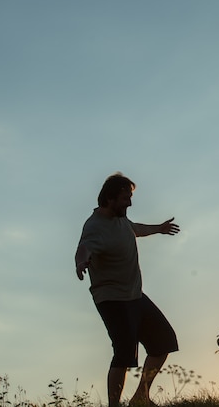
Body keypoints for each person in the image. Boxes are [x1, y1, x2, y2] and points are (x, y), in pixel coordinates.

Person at [74, 173, 180, 407]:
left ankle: (141, 396)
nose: (129, 203)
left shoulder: (121, 219)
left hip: (134, 295)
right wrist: (81, 263)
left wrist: (159, 228)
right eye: (125, 198)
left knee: (164, 341)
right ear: (109, 199)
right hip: (112, 299)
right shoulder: (94, 226)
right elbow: (84, 248)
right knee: (124, 354)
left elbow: (135, 229)